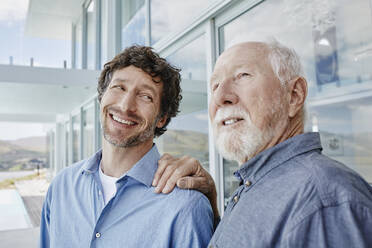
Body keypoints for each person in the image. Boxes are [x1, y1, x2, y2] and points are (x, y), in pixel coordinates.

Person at [152, 40, 372, 247]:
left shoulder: (323, 202)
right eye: (215, 85)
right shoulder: (260, 182)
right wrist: (212, 207)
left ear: (294, 95)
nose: (220, 97)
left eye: (242, 75)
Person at [39, 46, 213, 248]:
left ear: (162, 119)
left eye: (145, 96)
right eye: (119, 88)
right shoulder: (62, 186)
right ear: (102, 96)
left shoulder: (187, 206)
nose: (125, 106)